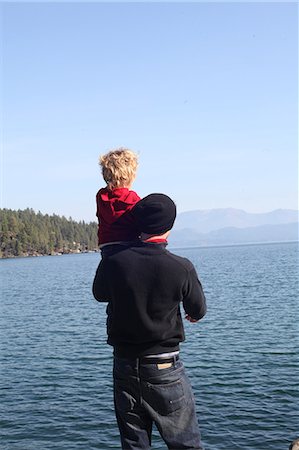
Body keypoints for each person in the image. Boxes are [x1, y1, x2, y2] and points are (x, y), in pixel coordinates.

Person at [92, 193, 207, 450]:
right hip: (164, 367)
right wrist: (189, 313)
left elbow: (100, 294)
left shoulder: (114, 261)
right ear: (170, 225)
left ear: (138, 224)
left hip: (124, 365)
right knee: (185, 443)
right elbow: (198, 310)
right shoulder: (181, 267)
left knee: (134, 444)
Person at [96, 147, 141, 248]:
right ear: (130, 176)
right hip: (129, 244)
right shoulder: (132, 198)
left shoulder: (101, 196)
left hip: (106, 246)